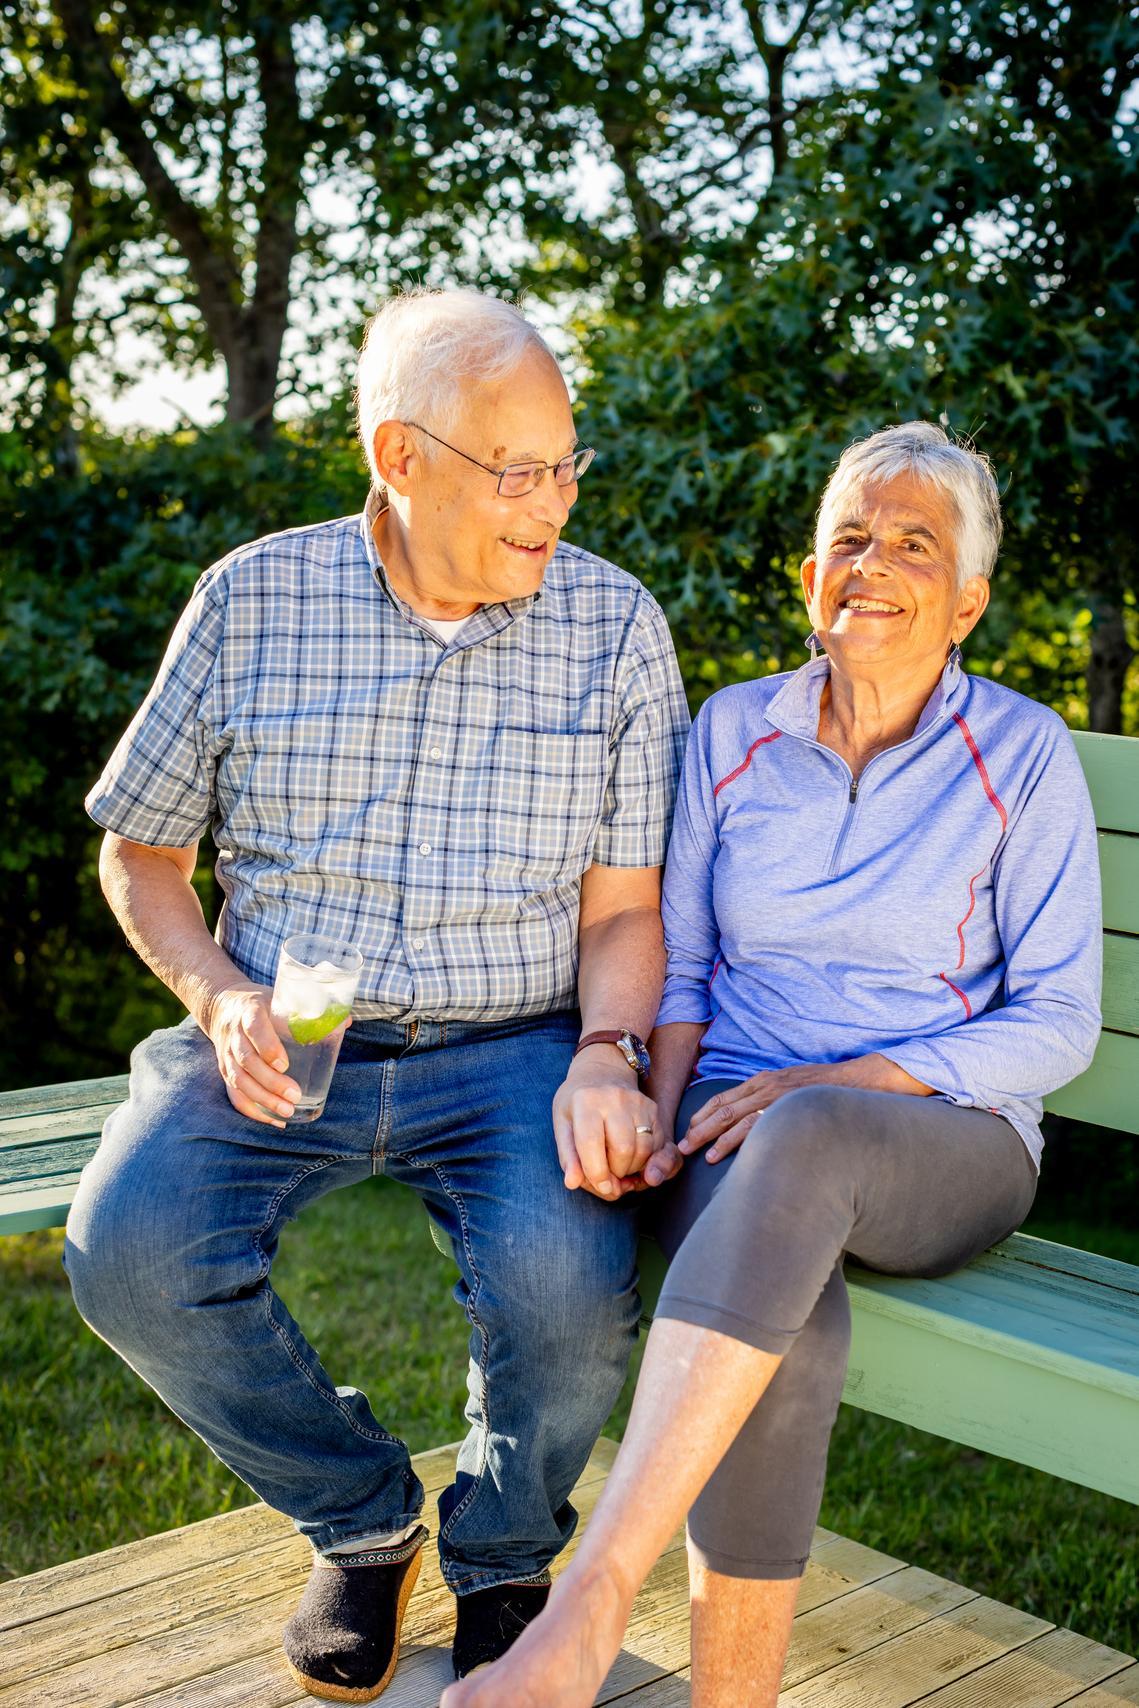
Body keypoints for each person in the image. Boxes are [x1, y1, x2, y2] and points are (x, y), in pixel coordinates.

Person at [64, 288, 690, 1702]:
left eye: (567, 466)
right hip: (292, 1019)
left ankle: (504, 1552)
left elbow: (622, 909)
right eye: (516, 471)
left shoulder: (613, 625)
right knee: (129, 1246)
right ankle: (359, 1519)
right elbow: (140, 853)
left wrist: (606, 1049)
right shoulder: (250, 599)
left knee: (565, 1291)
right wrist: (218, 995)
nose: (553, 503)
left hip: (517, 1037)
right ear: (399, 457)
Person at [442, 422, 1102, 1708]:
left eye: (913, 544)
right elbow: (683, 967)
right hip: (733, 1124)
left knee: (806, 1133)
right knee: (789, 1328)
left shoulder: (1021, 753)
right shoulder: (733, 729)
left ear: (966, 603)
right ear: (808, 574)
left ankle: (584, 1610)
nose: (872, 563)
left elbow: (1059, 1019)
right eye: (848, 537)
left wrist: (843, 1081)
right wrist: (658, 1116)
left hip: (943, 1132)